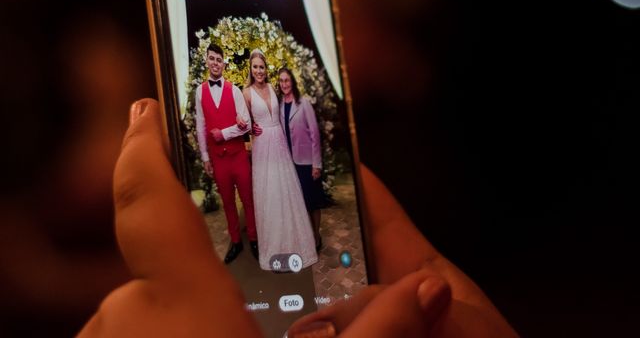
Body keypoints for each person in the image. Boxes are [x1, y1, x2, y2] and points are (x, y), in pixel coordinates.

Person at [77, 99, 519, 337]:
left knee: (287, 204)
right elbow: (242, 124)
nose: (269, 77)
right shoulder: (245, 94)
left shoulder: (286, 100)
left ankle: (294, 252)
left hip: (278, 151)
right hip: (255, 152)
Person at [242, 50, 318, 271]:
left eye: (262, 67)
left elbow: (285, 113)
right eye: (255, 67)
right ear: (251, 69)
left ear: (266, 69)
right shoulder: (246, 92)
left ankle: (298, 244)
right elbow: (246, 125)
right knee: (270, 193)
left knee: (287, 191)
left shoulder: (273, 89)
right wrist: (250, 129)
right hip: (262, 145)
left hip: (280, 144)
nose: (259, 71)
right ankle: (274, 249)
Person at [195, 43, 258, 264]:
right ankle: (236, 242)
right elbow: (201, 126)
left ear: (224, 63)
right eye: (212, 58)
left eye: (219, 60)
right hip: (218, 161)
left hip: (238, 157)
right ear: (207, 61)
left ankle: (253, 238)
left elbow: (247, 125)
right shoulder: (199, 91)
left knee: (248, 200)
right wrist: (205, 157)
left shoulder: (235, 90)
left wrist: (223, 133)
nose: (215, 63)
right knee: (228, 203)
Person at [277, 67, 325, 251]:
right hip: (291, 163)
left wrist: (316, 164)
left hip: (307, 162)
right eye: (281, 81)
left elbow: (315, 134)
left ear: (292, 82)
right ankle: (307, 236)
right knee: (302, 203)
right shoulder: (280, 105)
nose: (284, 84)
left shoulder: (304, 103)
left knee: (313, 202)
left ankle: (316, 236)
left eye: (287, 80)